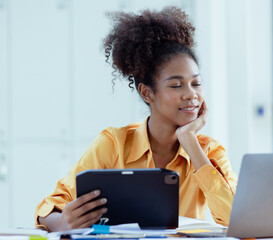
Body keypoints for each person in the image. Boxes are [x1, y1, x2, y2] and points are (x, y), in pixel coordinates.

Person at [35, 6, 237, 232]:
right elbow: (50, 206)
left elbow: (235, 219)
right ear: (147, 92)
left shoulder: (208, 152)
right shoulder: (114, 144)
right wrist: (61, 222)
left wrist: (190, 141)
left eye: (196, 83)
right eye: (176, 85)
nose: (191, 94)